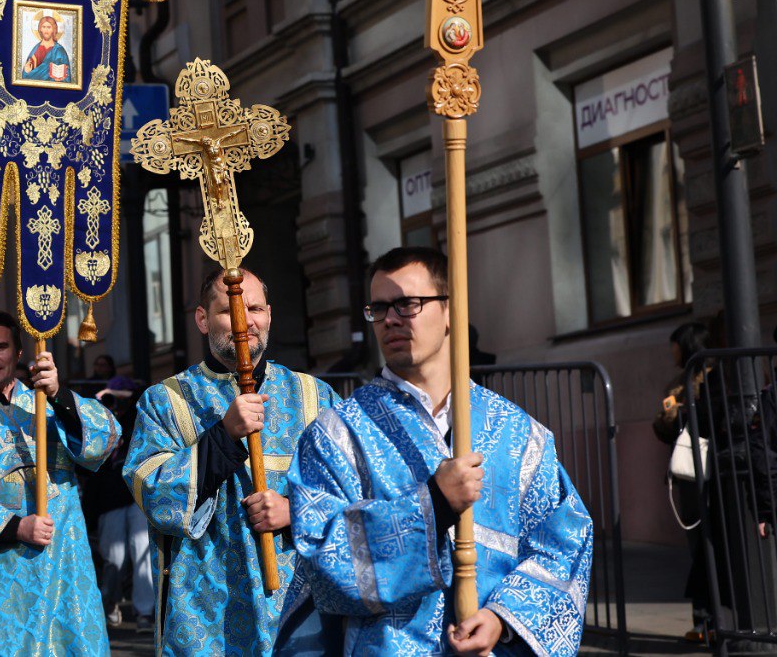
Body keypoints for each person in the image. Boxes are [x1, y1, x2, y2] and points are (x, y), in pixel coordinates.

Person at [275, 246, 592, 656]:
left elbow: (564, 544)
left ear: (450, 311)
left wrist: (502, 618)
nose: (390, 318)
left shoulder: (519, 434)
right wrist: (433, 505)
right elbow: (323, 559)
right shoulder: (336, 435)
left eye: (407, 304)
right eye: (379, 308)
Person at [123, 268, 337, 654]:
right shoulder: (166, 401)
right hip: (207, 607)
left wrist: (296, 511)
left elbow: (353, 492)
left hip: (299, 599)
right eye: (229, 310)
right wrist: (224, 435)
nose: (245, 321)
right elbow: (151, 492)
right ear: (203, 320)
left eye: (254, 307)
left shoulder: (315, 396)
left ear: (269, 314)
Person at [0, 310, 119, 656]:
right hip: (0, 582)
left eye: (0, 346)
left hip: (65, 568)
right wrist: (16, 527)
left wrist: (59, 394)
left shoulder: (47, 404)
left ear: (17, 354)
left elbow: (105, 441)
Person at [653, 322, 712, 642]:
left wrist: (679, 412)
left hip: (706, 475)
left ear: (686, 345)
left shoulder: (707, 379)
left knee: (705, 548)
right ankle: (704, 621)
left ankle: (710, 620)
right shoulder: (680, 383)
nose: (671, 351)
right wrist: (668, 416)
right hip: (691, 474)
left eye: (674, 345)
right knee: (700, 548)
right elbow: (664, 432)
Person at [86, 371, 155, 632]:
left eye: (120, 396)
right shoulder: (101, 416)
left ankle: (144, 613)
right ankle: (111, 601)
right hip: (109, 498)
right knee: (114, 557)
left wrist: (125, 399)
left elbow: (142, 397)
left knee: (142, 553)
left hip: (136, 496)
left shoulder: (139, 415)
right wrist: (102, 400)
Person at [22, 12, 72, 83]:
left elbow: (67, 77)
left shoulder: (59, 50)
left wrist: (61, 79)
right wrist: (26, 71)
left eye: (49, 27)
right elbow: (25, 76)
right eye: (44, 27)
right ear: (40, 29)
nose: (46, 30)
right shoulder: (35, 49)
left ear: (53, 30)